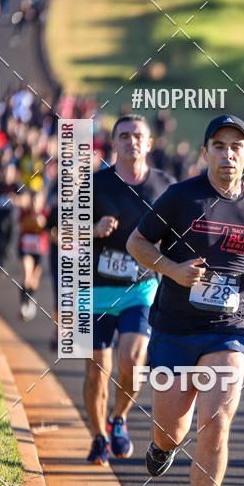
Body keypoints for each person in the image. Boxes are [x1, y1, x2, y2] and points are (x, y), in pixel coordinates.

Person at [127, 115, 244, 486]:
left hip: (227, 331)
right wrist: (173, 270)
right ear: (205, 152)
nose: (228, 154)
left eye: (236, 147)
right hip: (174, 330)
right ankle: (162, 447)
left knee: (215, 422)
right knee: (170, 430)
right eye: (219, 146)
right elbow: (138, 244)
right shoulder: (180, 197)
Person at [86, 115, 174, 466]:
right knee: (96, 370)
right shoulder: (94, 185)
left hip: (140, 287)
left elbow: (180, 236)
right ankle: (97, 438)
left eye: (138, 136)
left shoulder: (166, 187)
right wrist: (92, 230)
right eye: (124, 136)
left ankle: (118, 417)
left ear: (149, 143)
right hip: (93, 289)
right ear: (114, 143)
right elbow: (56, 232)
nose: (131, 141)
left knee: (133, 363)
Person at [17, 191, 48, 320]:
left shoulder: (45, 213)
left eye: (37, 200)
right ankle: (24, 305)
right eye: (33, 200)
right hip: (26, 249)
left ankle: (30, 298)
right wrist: (28, 221)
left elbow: (47, 227)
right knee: (26, 276)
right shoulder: (25, 212)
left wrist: (41, 222)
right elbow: (19, 226)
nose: (35, 203)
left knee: (34, 281)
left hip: (39, 251)